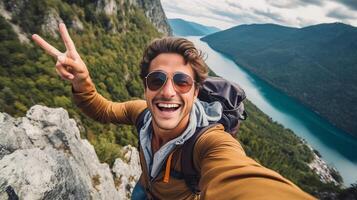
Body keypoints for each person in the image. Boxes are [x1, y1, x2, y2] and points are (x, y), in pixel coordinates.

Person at [32, 23, 315, 200]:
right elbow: (102, 109)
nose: (168, 91)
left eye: (182, 81)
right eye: (157, 80)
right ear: (146, 87)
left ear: (195, 91)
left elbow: (242, 179)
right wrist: (82, 82)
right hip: (143, 190)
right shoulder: (141, 114)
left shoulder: (210, 142)